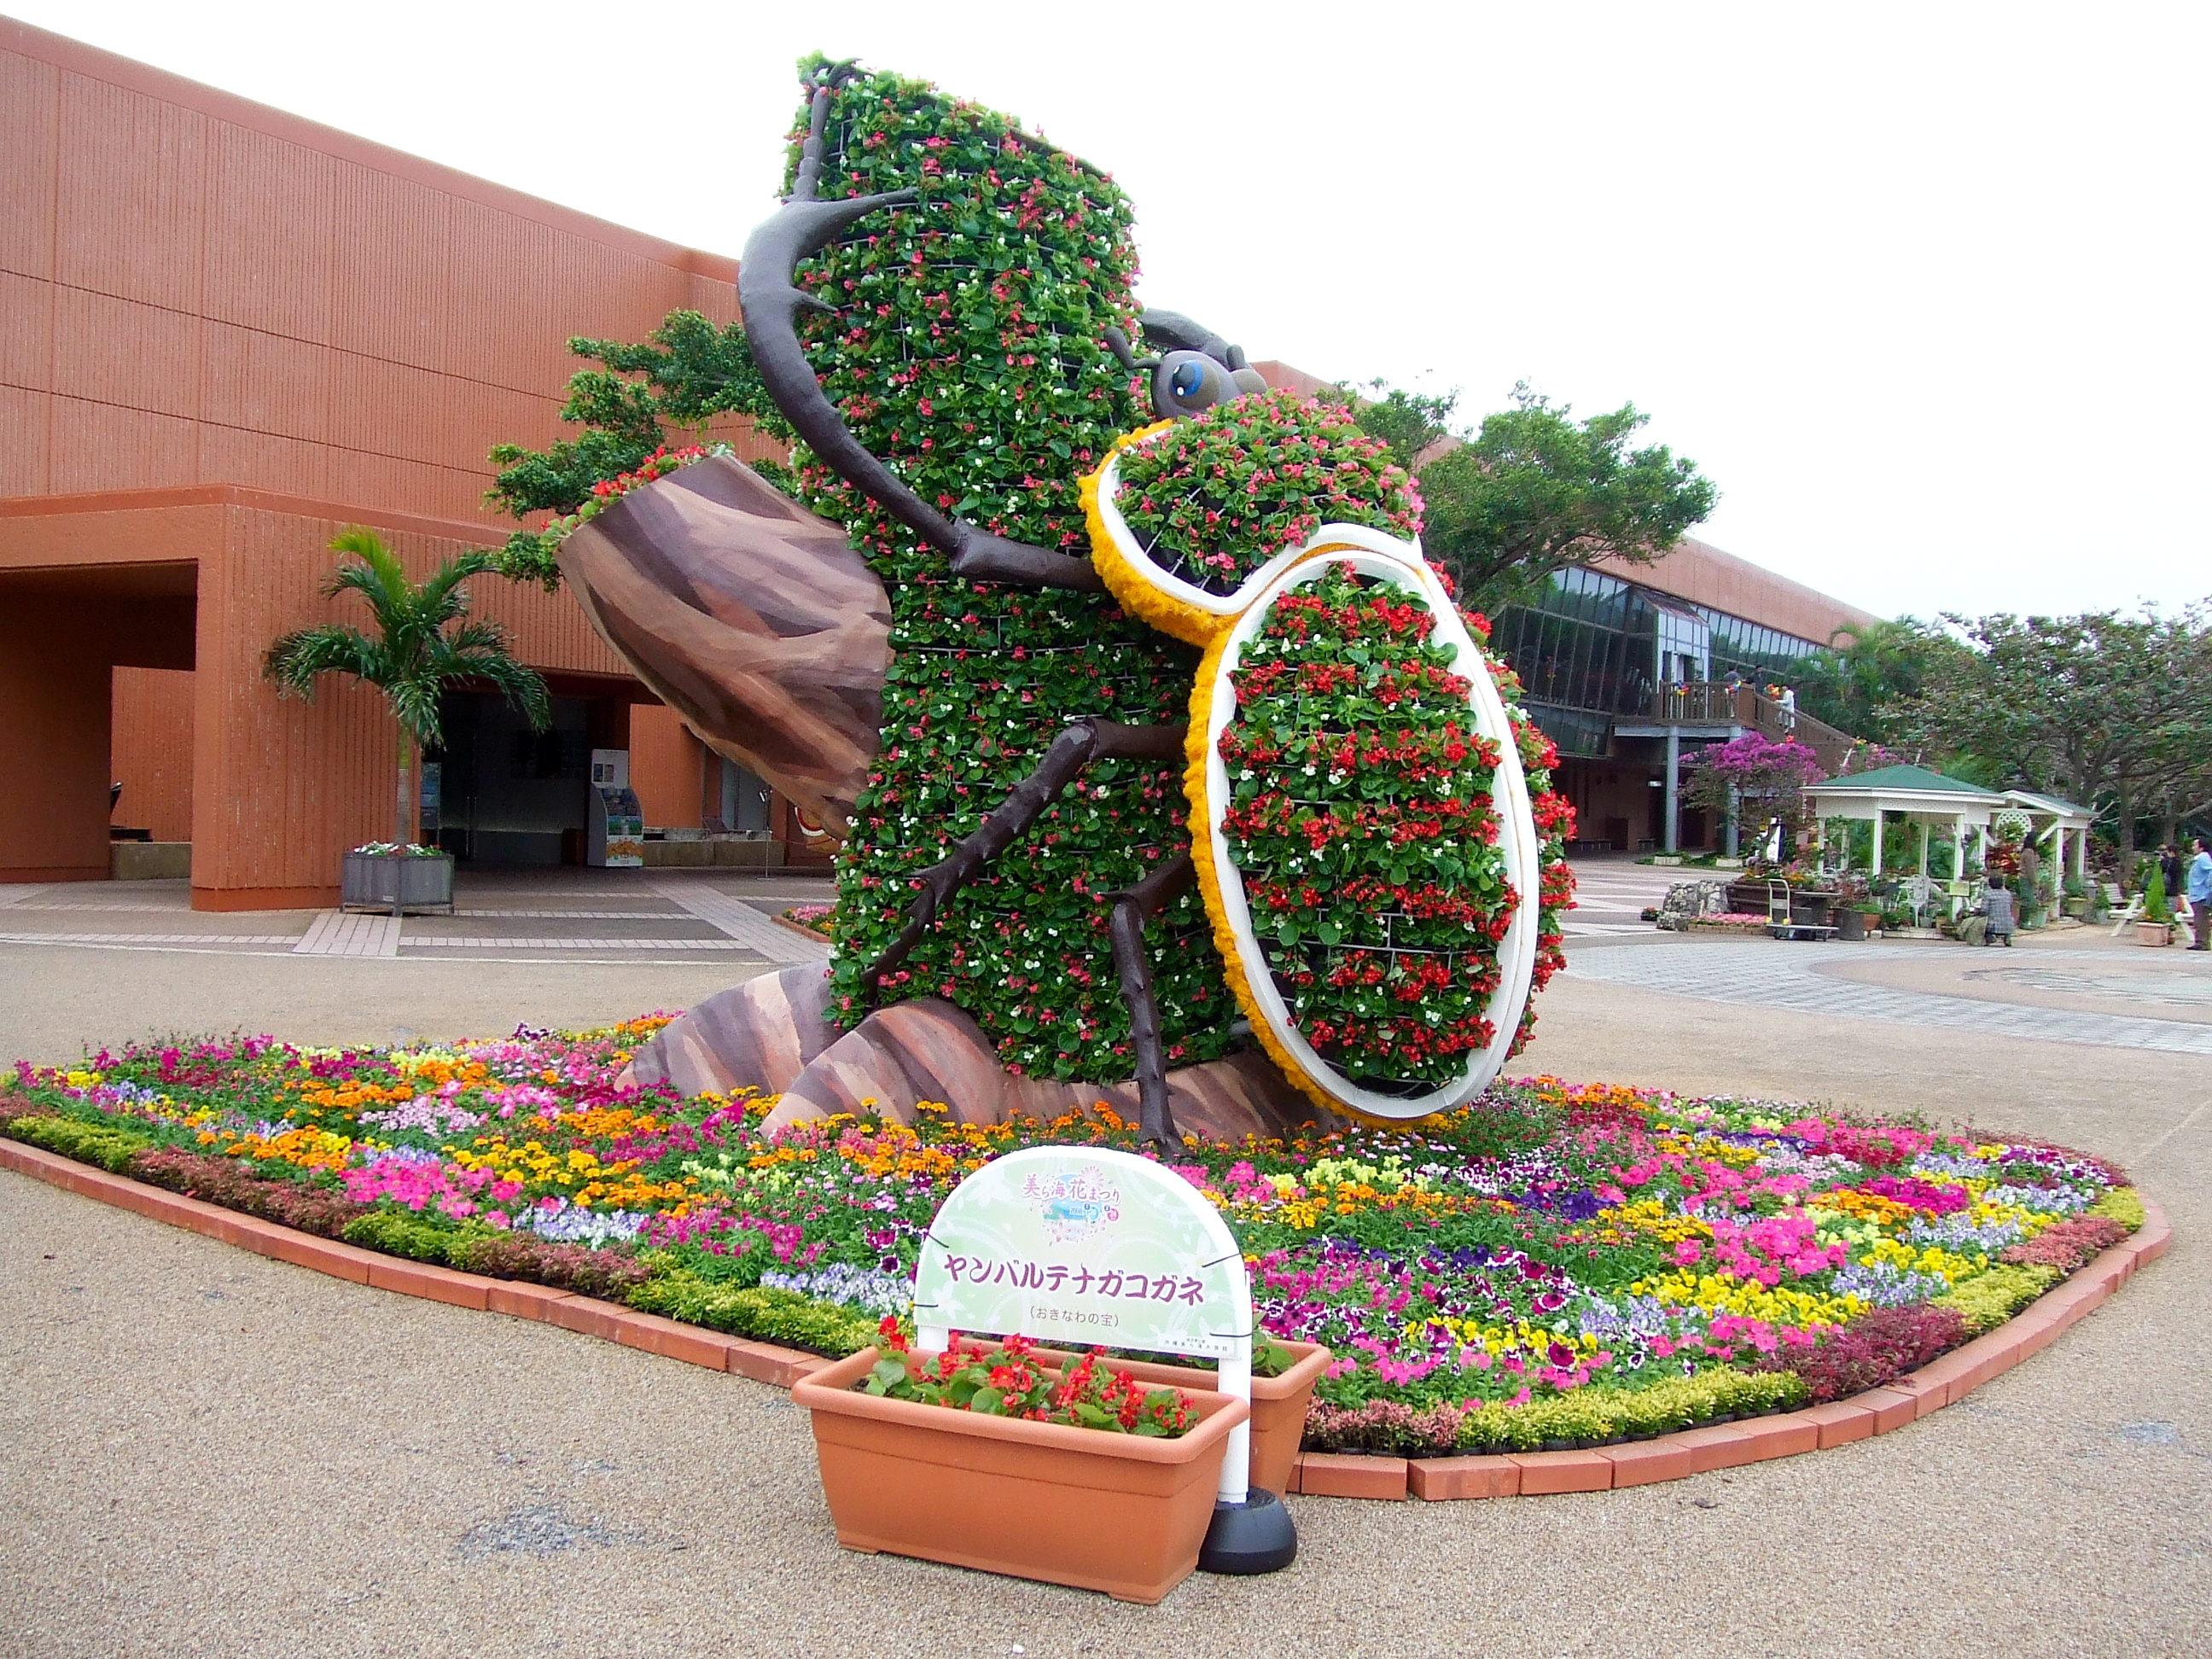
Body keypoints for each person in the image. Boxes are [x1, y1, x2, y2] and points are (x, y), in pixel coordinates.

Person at [2187, 836, 2212, 951]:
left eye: (2195, 845)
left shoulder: (2203, 857)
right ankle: (2200, 941)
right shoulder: (2199, 858)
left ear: (2201, 847)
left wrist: (2208, 884)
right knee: (2199, 919)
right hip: (2197, 893)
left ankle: (2202, 942)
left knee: (2201, 919)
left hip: (2201, 894)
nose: (2193, 847)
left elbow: (2210, 870)